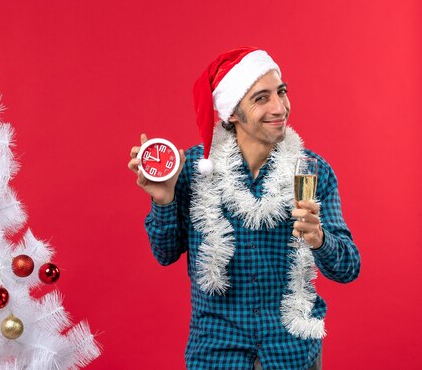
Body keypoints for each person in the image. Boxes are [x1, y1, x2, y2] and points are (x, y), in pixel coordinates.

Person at [127, 47, 360, 370]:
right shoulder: (194, 168)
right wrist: (163, 199)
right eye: (261, 98)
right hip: (217, 353)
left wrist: (319, 238)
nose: (280, 107)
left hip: (291, 353)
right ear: (232, 113)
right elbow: (164, 254)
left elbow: (348, 268)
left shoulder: (312, 171)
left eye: (281, 92)